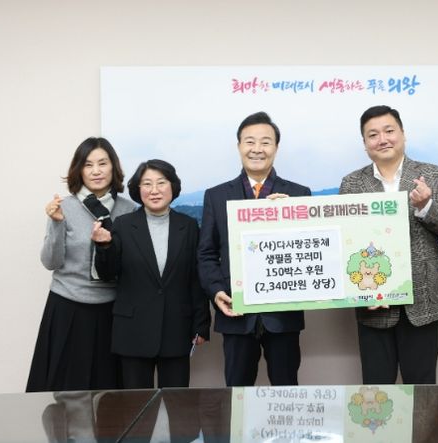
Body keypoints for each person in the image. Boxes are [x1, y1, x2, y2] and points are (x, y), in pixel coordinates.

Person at [339, 105, 438, 384]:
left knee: (421, 391)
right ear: (365, 143)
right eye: (373, 134)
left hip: (423, 302)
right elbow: (344, 244)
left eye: (389, 131)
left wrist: (427, 206)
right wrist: (361, 293)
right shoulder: (352, 184)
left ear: (403, 134)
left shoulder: (432, 175)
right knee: (375, 393)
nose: (382, 139)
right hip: (373, 304)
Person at [198, 111, 311, 386]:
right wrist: (217, 291)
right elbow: (206, 253)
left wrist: (290, 216)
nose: (257, 149)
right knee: (237, 392)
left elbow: (312, 248)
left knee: (286, 391)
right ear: (239, 146)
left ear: (276, 148)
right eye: (250, 141)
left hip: (283, 315)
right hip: (235, 311)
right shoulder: (216, 195)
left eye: (265, 142)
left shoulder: (299, 194)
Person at [26, 137, 135, 392]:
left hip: (112, 311)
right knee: (63, 392)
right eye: (88, 165)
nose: (96, 171)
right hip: (67, 307)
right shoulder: (64, 207)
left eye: (102, 163)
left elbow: (132, 266)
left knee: (109, 395)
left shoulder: (129, 210)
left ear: (113, 167)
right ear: (79, 170)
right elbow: (51, 262)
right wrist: (56, 222)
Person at [92, 159, 211, 388]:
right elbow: (107, 274)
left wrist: (201, 324)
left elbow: (195, 279)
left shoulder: (188, 226)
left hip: (176, 327)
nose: (154, 190)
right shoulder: (123, 225)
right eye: (147, 184)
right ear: (138, 190)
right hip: (133, 329)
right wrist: (103, 246)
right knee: (136, 404)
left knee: (176, 404)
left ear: (172, 186)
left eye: (161, 182)